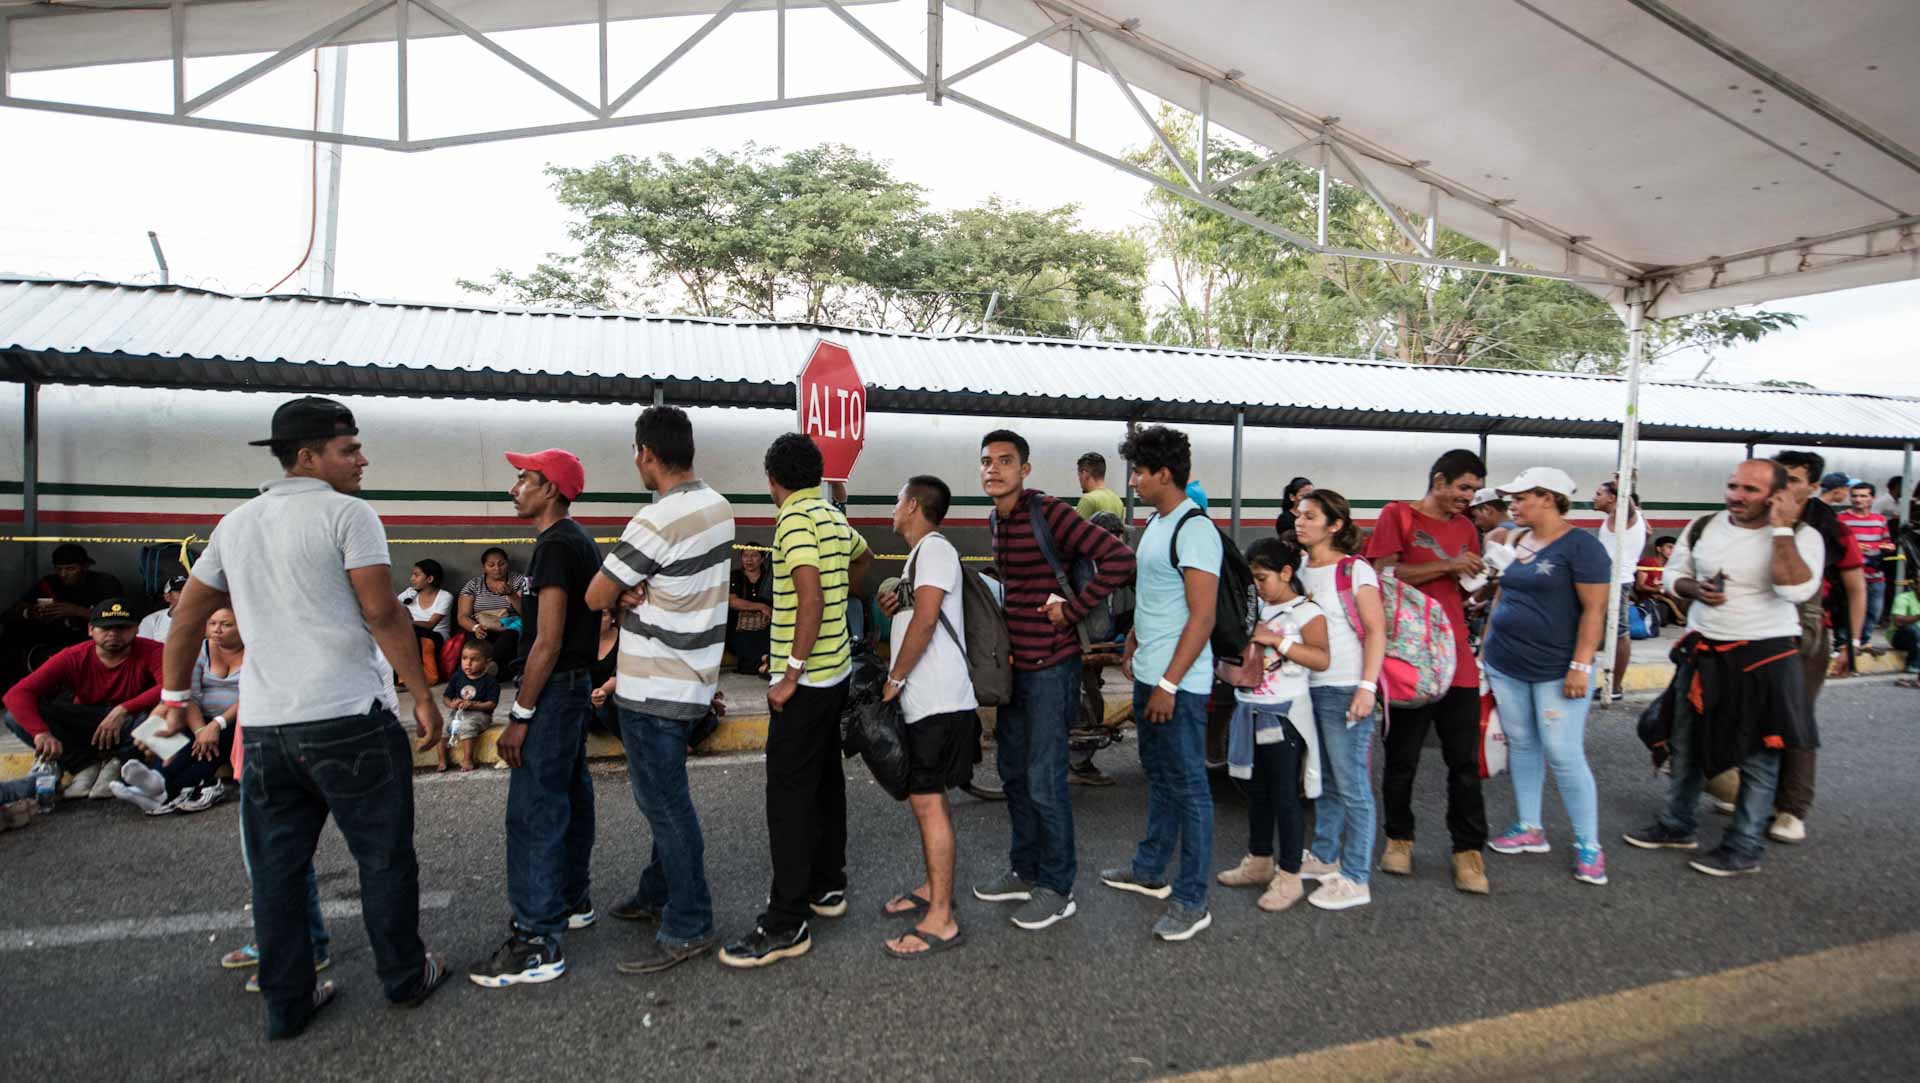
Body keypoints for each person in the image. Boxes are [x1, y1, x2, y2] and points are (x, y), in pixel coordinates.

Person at [158, 396, 448, 1039]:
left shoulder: (236, 524)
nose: (362, 458)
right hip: (348, 718)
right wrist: (422, 694)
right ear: (308, 456)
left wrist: (174, 697)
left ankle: (287, 1005)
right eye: (349, 449)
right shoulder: (349, 513)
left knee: (278, 873)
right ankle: (404, 978)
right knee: (384, 858)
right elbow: (381, 610)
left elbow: (186, 617)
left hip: (265, 730)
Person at [585, 405, 735, 974]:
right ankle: (656, 891)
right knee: (664, 800)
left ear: (646, 453)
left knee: (666, 807)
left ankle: (690, 922)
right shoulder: (718, 507)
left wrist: (625, 590)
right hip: (693, 678)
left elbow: (598, 595)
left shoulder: (654, 520)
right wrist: (635, 587)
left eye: (635, 452)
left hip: (652, 687)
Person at [971, 428, 1135, 933]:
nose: (993, 469)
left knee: (1045, 781)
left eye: (1005, 461)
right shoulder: (996, 521)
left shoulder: (1050, 512)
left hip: (1052, 667)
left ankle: (1058, 888)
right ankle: (1025, 869)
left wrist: (1073, 609)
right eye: (986, 462)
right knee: (1015, 775)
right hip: (1015, 670)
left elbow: (1119, 559)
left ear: (1025, 468)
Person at [1625, 460, 1821, 877]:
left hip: (1764, 658)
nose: (1736, 495)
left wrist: (1782, 528)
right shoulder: (1705, 525)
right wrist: (1693, 589)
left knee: (1756, 758)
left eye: (1750, 489)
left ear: (1777, 495)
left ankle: (1744, 846)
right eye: (1732, 485)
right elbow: (1673, 575)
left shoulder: (1804, 536)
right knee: (1685, 742)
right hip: (1703, 652)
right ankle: (1678, 825)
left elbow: (1795, 589)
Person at [719, 432, 869, 968]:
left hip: (805, 684)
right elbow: (862, 559)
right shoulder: (830, 515)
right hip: (837, 678)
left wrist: (790, 672)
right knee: (826, 783)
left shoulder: (793, 519)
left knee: (787, 798)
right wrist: (840, 592)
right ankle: (828, 886)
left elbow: (809, 593)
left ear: (773, 480)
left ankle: (786, 922)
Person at [468, 448, 602, 988]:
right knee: (568, 793)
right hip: (574, 686)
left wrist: (520, 713)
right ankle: (571, 901)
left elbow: (546, 640)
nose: (514, 486)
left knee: (533, 811)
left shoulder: (554, 545)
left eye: (524, 478)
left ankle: (535, 941)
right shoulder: (579, 541)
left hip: (553, 689)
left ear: (551, 489)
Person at [1102, 425, 1218, 942]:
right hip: (1152, 673)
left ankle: (1192, 898)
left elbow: (1202, 617)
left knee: (1190, 786)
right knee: (1162, 776)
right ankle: (1149, 870)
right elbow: (1157, 597)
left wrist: (1171, 682)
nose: (1133, 481)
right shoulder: (1157, 522)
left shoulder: (1195, 529)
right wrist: (1132, 637)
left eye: (1139, 472)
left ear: (1163, 474)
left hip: (1181, 684)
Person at [1364, 448, 1492, 894]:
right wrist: (1448, 565)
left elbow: (1460, 585)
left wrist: (1478, 581)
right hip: (1408, 660)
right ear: (1439, 480)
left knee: (1464, 761)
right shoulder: (1397, 516)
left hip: (1457, 656)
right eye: (1463, 488)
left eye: (1474, 490)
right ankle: (1399, 839)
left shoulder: (1467, 528)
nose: (1469, 497)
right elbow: (1381, 576)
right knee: (1402, 758)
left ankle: (1468, 851)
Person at [1480, 468, 1611, 886]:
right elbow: (1504, 592)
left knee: (1563, 752)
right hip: (1506, 663)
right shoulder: (1518, 541)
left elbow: (1595, 611)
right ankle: (1529, 827)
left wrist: (1581, 665)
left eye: (1520, 499)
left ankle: (1588, 845)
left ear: (1549, 498)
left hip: (1557, 668)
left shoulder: (1582, 548)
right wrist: (1485, 647)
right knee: (1522, 743)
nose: (1512, 506)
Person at [874, 475, 980, 958]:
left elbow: (927, 618)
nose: (894, 508)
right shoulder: (921, 557)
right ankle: (932, 889)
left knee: (928, 802)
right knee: (926, 799)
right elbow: (915, 611)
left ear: (913, 505)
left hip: (937, 700)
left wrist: (894, 678)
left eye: (898, 499)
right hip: (931, 701)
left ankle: (941, 918)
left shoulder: (935, 550)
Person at [1215, 536, 1328, 913]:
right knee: (1257, 791)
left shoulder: (1306, 612)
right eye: (1253, 579)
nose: (1257, 586)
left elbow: (1320, 658)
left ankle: (1291, 873)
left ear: (1286, 572)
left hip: (1284, 714)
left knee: (1284, 795)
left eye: (1263, 578)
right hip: (1250, 709)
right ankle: (1259, 859)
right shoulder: (1255, 607)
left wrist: (1276, 641)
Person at [1292, 490, 1385, 912]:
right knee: (1325, 779)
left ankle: (1356, 877)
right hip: (1310, 687)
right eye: (1298, 514)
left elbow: (1376, 631)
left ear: (1335, 525)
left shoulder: (1355, 571)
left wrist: (1367, 687)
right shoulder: (1301, 569)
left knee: (1353, 787)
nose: (1300, 521)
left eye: (1310, 516)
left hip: (1346, 687)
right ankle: (1326, 856)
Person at [2, 598, 161, 799]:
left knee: (161, 717)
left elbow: (171, 687)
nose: (113, 633)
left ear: (136, 629)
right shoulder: (72, 656)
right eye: (105, 628)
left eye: (122, 627)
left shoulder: (153, 650)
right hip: (86, 718)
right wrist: (40, 732)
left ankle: (120, 765)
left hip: (131, 721)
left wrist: (123, 709)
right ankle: (82, 766)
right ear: (90, 630)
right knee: (14, 717)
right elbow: (17, 693)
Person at [112, 606, 244, 812]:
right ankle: (156, 780)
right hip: (198, 715)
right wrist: (201, 729)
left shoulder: (254, 652)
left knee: (216, 742)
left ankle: (159, 788)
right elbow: (188, 695)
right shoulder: (199, 650)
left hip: (236, 719)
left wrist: (216, 725)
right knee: (187, 736)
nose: (217, 629)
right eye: (213, 624)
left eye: (226, 625)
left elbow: (250, 697)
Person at [8, 543, 126, 670]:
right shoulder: (49, 583)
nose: (63, 574)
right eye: (59, 569)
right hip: (52, 641)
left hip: (91, 644)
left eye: (70, 569)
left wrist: (76, 611)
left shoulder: (104, 583)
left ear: (85, 567)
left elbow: (119, 617)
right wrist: (30, 612)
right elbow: (13, 611)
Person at [1592, 478, 1647, 698]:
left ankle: (1614, 687)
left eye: (1598, 493)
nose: (1594, 498)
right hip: (1604, 580)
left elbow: (1630, 506)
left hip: (1619, 582)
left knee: (1620, 633)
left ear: (1612, 498)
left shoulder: (1624, 515)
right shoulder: (1613, 518)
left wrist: (1625, 483)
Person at [458, 547, 529, 674]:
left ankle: (480, 669)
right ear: (484, 567)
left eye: (501, 564)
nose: (497, 568)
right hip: (483, 628)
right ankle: (488, 669)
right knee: (473, 638)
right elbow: (463, 616)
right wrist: (476, 628)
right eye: (491, 565)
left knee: (511, 636)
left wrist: (511, 595)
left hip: (508, 629)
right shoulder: (474, 584)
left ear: (508, 564)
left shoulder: (519, 581)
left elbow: (528, 613)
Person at [1840, 482, 1893, 646]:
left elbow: (1888, 544)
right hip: (1850, 576)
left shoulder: (1880, 520)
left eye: (1863, 496)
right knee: (1846, 612)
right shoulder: (1841, 518)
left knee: (1873, 613)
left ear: (1872, 498)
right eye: (1854, 495)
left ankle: (1863, 644)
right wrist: (1853, 546)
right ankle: (1843, 645)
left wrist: (1877, 547)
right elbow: (1834, 544)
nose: (1858, 499)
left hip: (1875, 575)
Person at [440, 641, 499, 773]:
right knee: (444, 728)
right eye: (464, 658)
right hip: (458, 713)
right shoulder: (457, 677)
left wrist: (474, 705)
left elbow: (492, 704)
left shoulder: (490, 681)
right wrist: (452, 704)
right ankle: (443, 759)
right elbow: (446, 697)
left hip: (480, 715)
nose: (468, 663)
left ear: (486, 662)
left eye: (474, 659)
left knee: (467, 726)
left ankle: (468, 759)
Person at [727, 547, 775, 675]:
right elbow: (732, 601)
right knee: (745, 647)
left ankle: (767, 663)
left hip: (766, 624)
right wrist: (761, 606)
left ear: (762, 559)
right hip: (740, 627)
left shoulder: (769, 577)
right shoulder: (736, 576)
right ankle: (764, 664)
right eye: (745, 556)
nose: (749, 560)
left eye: (754, 555)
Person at [399, 558, 454, 647]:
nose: (411, 579)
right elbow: (392, 609)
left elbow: (430, 625)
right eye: (412, 575)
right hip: (411, 633)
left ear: (430, 579)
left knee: (413, 633)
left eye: (416, 575)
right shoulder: (409, 593)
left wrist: (406, 622)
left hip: (436, 636)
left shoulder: (445, 596)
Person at [1075, 452, 1126, 521]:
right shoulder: (1118, 501)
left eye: (1079, 475)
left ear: (1085, 474)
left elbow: (1076, 530)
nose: (1079, 480)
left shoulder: (1088, 500)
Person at [138, 575, 188, 643]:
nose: (186, 595)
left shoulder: (204, 619)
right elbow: (143, 648)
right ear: (167, 597)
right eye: (180, 592)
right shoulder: (151, 621)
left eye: (189, 591)